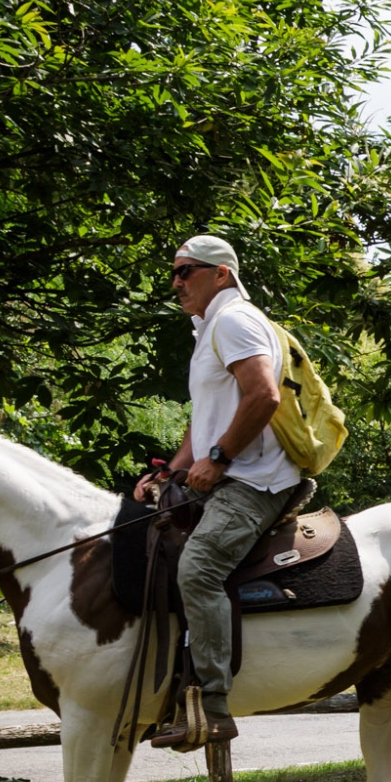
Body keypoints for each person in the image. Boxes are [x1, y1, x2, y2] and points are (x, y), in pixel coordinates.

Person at [135, 235, 301, 746]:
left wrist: (220, 458)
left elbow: (263, 396)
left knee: (199, 567)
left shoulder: (233, 320)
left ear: (221, 274)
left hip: (254, 481)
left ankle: (211, 704)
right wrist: (173, 471)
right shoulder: (208, 328)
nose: (176, 281)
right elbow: (204, 421)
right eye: (175, 272)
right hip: (227, 472)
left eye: (186, 271)